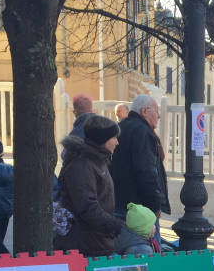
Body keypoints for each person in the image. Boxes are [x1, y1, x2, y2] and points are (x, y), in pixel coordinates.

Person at [52, 116, 124, 257]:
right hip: (83, 245)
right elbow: (87, 207)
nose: (117, 142)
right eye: (113, 137)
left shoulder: (97, 161)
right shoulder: (82, 166)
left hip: (96, 241)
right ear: (102, 139)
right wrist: (116, 226)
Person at [110, 94, 171, 253]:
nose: (158, 116)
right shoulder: (143, 132)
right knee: (148, 261)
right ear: (144, 111)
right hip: (141, 211)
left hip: (120, 204)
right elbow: (147, 172)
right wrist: (155, 205)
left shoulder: (122, 127)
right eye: (156, 111)